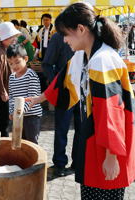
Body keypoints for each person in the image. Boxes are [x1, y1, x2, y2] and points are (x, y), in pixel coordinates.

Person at [27, 3, 135, 199]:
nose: (64, 40)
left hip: (107, 143)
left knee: (103, 191)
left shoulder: (102, 60)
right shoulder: (84, 55)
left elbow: (111, 110)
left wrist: (111, 155)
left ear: (81, 29)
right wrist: (40, 98)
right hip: (96, 136)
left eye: (66, 34)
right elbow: (64, 78)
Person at [41, 32, 79, 177]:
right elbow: (47, 64)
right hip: (65, 91)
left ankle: (78, 161)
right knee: (62, 129)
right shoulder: (59, 37)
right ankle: (60, 163)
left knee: (82, 128)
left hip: (84, 91)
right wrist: (57, 82)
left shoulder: (88, 36)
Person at [7, 44, 42, 144]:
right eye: (11, 63)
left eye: (17, 62)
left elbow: (32, 98)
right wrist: (11, 112)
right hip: (18, 116)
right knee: (19, 141)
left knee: (32, 142)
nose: (14, 66)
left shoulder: (31, 75)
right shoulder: (12, 77)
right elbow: (12, 97)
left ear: (25, 59)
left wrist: (18, 112)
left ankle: (37, 160)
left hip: (32, 116)